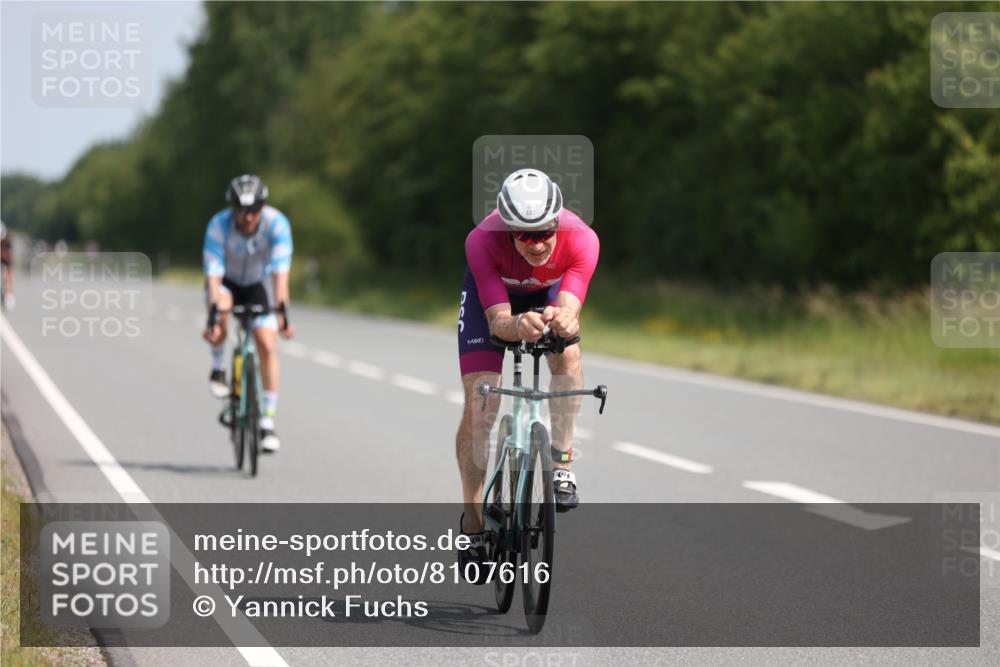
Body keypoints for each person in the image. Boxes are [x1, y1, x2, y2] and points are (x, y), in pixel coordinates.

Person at [455, 168, 599, 574]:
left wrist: (565, 322)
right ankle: (472, 523)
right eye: (524, 234)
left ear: (557, 221)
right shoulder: (482, 240)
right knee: (481, 403)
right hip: (495, 302)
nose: (536, 244)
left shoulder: (583, 240)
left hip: (549, 294)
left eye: (544, 232)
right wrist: (517, 325)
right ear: (507, 228)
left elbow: (570, 310)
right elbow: (499, 318)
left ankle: (563, 463)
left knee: (568, 356)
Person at [202, 175, 295, 453]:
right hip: (227, 283)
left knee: (267, 344)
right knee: (221, 314)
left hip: (257, 284)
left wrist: (283, 316)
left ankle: (267, 422)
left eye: (255, 210)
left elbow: (280, 277)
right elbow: (213, 278)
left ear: (263, 207)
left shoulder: (277, 224)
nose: (248, 217)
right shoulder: (218, 226)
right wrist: (213, 317)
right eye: (242, 211)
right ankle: (219, 368)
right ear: (232, 209)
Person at [1, 222, 14, 310]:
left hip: (5, 262)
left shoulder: (6, 246)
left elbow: (10, 270)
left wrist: (9, 292)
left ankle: (8, 295)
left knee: (8, 272)